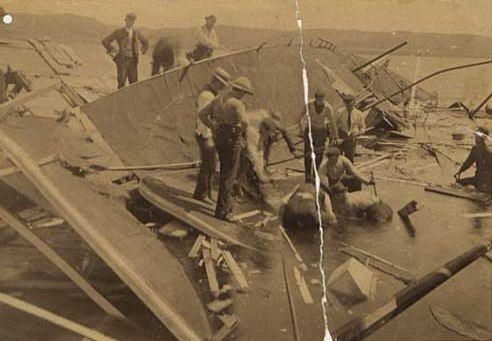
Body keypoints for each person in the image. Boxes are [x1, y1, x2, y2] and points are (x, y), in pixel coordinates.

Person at [199, 76, 254, 222]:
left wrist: (213, 126)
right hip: (231, 138)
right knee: (229, 175)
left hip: (219, 136)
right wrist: (238, 129)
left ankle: (225, 208)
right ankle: (223, 212)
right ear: (240, 91)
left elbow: (202, 114)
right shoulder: (237, 104)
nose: (244, 96)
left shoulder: (219, 98)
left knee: (224, 170)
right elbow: (245, 123)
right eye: (245, 93)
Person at [192, 67, 232, 203]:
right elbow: (203, 117)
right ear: (217, 82)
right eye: (221, 85)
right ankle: (201, 194)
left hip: (208, 133)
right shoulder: (207, 95)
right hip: (205, 134)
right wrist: (208, 136)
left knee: (211, 164)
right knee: (208, 165)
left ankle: (205, 192)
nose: (222, 87)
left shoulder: (210, 93)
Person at [299, 89, 338, 184]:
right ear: (315, 98)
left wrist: (335, 135)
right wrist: (301, 128)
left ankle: (314, 176)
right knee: (308, 154)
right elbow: (300, 116)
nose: (320, 101)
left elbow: (332, 123)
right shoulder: (309, 104)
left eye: (322, 99)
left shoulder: (328, 108)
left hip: (321, 132)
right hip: (310, 131)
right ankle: (307, 176)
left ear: (324, 99)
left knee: (318, 155)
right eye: (318, 99)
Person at [102, 13, 149, 89]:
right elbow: (105, 41)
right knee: (121, 84)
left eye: (132, 21)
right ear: (125, 20)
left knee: (134, 85)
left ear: (134, 22)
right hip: (122, 61)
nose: (130, 22)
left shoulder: (136, 33)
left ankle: (133, 100)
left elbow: (146, 43)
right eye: (129, 20)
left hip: (133, 62)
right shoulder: (118, 32)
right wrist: (113, 50)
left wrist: (141, 51)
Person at [454, 127, 492, 194]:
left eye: (478, 137)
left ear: (483, 139)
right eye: (476, 136)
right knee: (458, 182)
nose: (476, 138)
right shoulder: (475, 149)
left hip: (485, 180)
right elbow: (468, 162)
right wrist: (460, 171)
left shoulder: (487, 152)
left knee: (482, 193)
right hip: (477, 177)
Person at [334, 93, 366, 163]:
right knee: (338, 158)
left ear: (354, 103)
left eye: (350, 103)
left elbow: (363, 127)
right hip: (341, 135)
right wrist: (336, 137)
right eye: (346, 103)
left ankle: (348, 173)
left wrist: (359, 133)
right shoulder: (339, 112)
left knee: (350, 159)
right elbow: (334, 126)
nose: (348, 105)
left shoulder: (359, 114)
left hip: (352, 138)